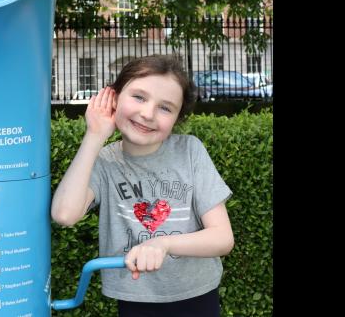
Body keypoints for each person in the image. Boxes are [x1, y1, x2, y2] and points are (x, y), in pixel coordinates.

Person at [51, 55, 234, 316]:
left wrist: (163, 244)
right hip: (135, 298)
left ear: (177, 119)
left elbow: (222, 238)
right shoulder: (104, 162)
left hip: (197, 295)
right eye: (138, 97)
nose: (147, 114)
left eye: (165, 108)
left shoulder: (190, 151)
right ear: (113, 97)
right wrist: (94, 135)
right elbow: (64, 214)